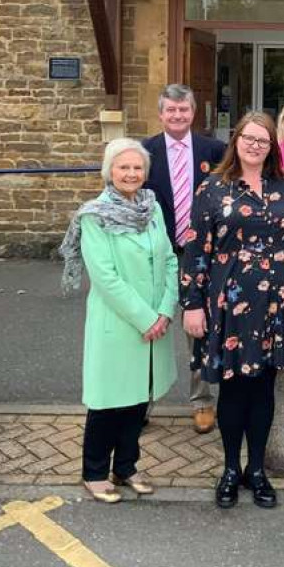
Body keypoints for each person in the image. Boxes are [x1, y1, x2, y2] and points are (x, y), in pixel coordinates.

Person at [180, 111, 284, 509]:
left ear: (272, 147)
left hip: (275, 303)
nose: (254, 146)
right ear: (236, 141)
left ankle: (257, 470)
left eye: (262, 141)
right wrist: (192, 305)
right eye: (248, 138)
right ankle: (231, 469)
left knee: (264, 389)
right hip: (229, 304)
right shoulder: (213, 188)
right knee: (233, 390)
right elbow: (196, 249)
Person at [60, 138, 178, 504]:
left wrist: (165, 309)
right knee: (109, 402)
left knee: (137, 402)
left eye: (137, 167)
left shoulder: (153, 208)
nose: (131, 174)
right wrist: (146, 318)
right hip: (120, 324)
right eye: (123, 167)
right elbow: (105, 277)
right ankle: (94, 472)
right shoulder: (94, 216)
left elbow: (170, 258)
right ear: (109, 171)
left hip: (154, 323)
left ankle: (126, 466)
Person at [143, 84, 226, 434]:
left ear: (193, 113)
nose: (177, 115)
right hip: (156, 257)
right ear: (161, 113)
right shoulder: (143, 151)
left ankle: (202, 401)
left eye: (184, 109)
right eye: (171, 110)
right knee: (149, 329)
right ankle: (140, 402)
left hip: (201, 257)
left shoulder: (215, 150)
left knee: (199, 330)